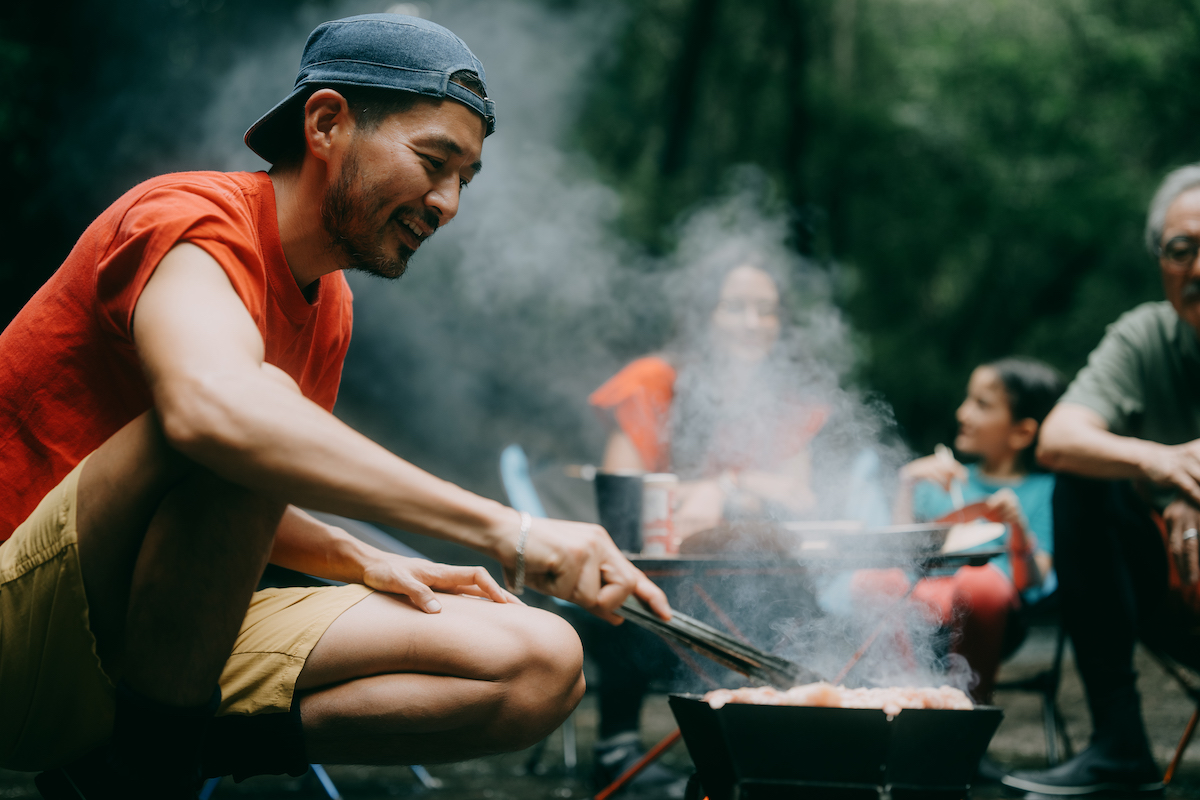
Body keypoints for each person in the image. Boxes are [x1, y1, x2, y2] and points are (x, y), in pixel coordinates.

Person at [0, 14, 669, 800]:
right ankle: (150, 773)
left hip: (142, 648)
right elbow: (216, 418)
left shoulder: (330, 307)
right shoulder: (188, 219)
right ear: (325, 123)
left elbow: (222, 495)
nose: (448, 202)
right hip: (21, 628)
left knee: (538, 663)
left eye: (466, 179)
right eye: (433, 160)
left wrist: (361, 557)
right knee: (259, 411)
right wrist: (509, 533)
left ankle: (138, 761)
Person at [582, 252, 825, 790]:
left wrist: (726, 490)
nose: (752, 323)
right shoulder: (653, 382)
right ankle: (617, 748)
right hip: (658, 578)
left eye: (766, 310)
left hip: (750, 577)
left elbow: (800, 499)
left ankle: (774, 740)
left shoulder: (784, 401)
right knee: (621, 571)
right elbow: (623, 495)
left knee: (783, 581)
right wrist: (737, 493)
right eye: (734, 306)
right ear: (702, 314)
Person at [1002, 165, 1200, 796]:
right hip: (1176, 587)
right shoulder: (1146, 335)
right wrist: (1161, 467)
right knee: (1084, 480)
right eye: (1181, 250)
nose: (1198, 268)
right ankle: (1119, 744)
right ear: (1161, 261)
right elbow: (1059, 439)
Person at [866, 357, 1062, 705]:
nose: (963, 413)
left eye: (981, 404)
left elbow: (1033, 579)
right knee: (873, 581)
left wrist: (1017, 525)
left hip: (995, 618)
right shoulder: (942, 481)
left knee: (980, 583)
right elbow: (898, 553)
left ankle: (964, 717)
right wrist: (908, 483)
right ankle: (905, 703)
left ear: (1022, 433)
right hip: (920, 617)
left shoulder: (1045, 491)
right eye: (967, 399)